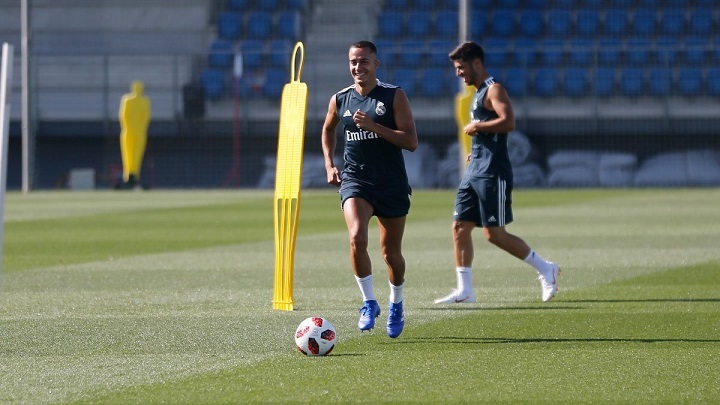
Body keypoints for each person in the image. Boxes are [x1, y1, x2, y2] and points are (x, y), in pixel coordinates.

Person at [434, 41, 560, 305]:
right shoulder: (477, 92)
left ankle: (546, 268)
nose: (458, 73)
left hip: (493, 172)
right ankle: (465, 290)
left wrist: (478, 127)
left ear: (477, 63)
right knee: (459, 227)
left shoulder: (494, 89)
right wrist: (477, 147)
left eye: (461, 67)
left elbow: (508, 121)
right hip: (474, 169)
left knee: (494, 234)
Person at [321, 40, 418, 338]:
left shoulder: (393, 96)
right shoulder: (340, 98)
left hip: (390, 183)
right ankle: (368, 302)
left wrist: (375, 127)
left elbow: (411, 142)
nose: (357, 67)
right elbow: (327, 129)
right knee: (356, 237)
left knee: (391, 255)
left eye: (364, 61)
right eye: (353, 61)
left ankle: (396, 304)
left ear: (376, 64)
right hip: (356, 179)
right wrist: (329, 164)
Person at [119, 80, 151, 189]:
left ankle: (134, 177)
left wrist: (140, 129)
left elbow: (145, 117)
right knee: (128, 155)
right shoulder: (127, 100)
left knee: (136, 156)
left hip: (137, 132)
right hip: (129, 132)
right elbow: (123, 116)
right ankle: (129, 177)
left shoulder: (144, 101)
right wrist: (128, 128)